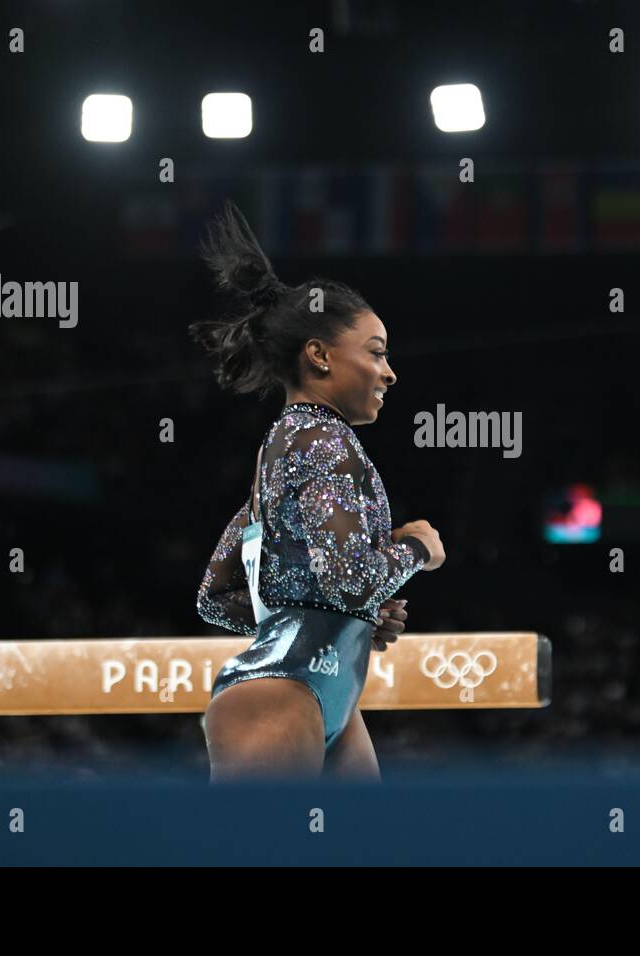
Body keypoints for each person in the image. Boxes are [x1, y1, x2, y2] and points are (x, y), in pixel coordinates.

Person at [190, 200, 446, 782]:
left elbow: (217, 594)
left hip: (318, 692)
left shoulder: (284, 455)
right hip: (283, 693)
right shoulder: (320, 443)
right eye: (377, 352)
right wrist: (417, 549)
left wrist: (348, 611)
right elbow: (349, 576)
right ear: (321, 356)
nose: (390, 371)